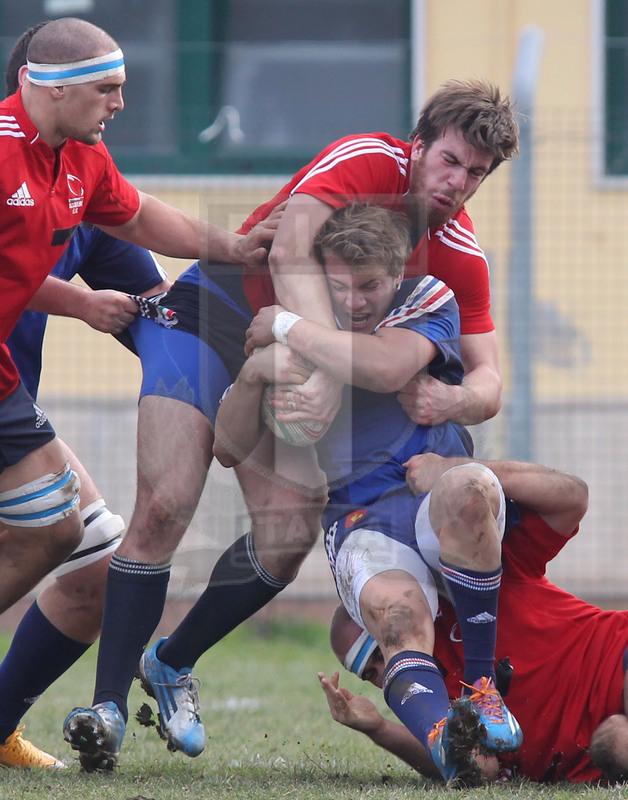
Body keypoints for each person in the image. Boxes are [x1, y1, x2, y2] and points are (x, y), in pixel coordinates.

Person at [62, 79, 519, 771]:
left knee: (290, 527)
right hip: (211, 316)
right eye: (451, 161)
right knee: (168, 499)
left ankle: (170, 663)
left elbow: (490, 382)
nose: (460, 183)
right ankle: (106, 710)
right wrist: (327, 368)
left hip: (277, 358)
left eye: (478, 174)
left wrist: (453, 403)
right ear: (420, 145)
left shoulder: (456, 248)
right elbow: (286, 251)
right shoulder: (371, 157)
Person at [140, 203, 521, 787]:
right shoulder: (300, 328)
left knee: (471, 488)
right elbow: (227, 448)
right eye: (337, 286)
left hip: (434, 496)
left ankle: (482, 687)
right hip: (363, 519)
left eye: (370, 285)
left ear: (397, 276)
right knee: (396, 621)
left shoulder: (428, 299)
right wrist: (255, 373)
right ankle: (448, 739)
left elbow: (387, 367)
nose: (354, 301)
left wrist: (293, 337)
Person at [0, 14, 275, 765]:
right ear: (46, 87)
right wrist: (76, 301)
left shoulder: (81, 165)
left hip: (8, 396)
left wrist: (236, 253)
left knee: (84, 548)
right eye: (107, 89)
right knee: (66, 533)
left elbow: (148, 259)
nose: (120, 104)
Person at [318, 453, 628, 784]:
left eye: (379, 652)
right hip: (606, 757)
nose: (383, 674)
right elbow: (476, 769)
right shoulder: (426, 696)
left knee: (616, 740)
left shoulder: (475, 572)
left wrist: (457, 470)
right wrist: (380, 729)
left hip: (619, 658)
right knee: (616, 743)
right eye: (370, 674)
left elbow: (571, 497)